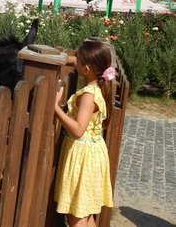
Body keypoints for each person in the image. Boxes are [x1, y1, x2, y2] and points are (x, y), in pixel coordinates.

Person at [54, 40, 116, 227]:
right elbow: (76, 61)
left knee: (76, 216)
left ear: (87, 68)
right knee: (86, 214)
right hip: (93, 152)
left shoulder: (89, 96)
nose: (75, 63)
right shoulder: (99, 83)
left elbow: (78, 130)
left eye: (78, 61)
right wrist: (59, 59)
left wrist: (55, 107)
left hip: (83, 157)